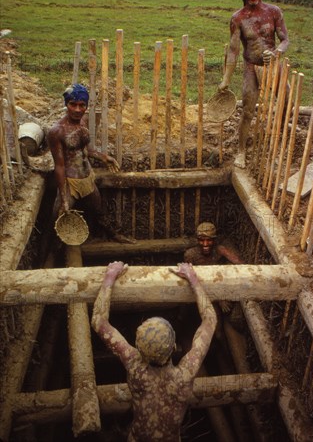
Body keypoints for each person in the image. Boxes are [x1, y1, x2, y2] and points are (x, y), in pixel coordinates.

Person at [92, 261, 217, 442]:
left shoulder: (133, 363)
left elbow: (99, 321)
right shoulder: (186, 373)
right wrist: (193, 278)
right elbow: (210, 320)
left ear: (138, 348)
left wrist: (110, 276)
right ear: (174, 347)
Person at [218, 0, 289, 168]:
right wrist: (226, 79)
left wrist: (277, 53)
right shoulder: (238, 18)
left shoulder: (274, 12)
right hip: (251, 67)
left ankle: (279, 143)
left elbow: (285, 40)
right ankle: (241, 151)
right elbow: (233, 50)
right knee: (248, 111)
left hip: (273, 65)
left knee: (286, 102)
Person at [48, 83, 134, 243]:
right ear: (66, 104)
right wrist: (64, 197)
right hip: (70, 183)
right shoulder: (57, 131)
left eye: (82, 105)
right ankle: (50, 253)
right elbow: (59, 166)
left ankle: (113, 235)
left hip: (87, 179)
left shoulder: (83, 122)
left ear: (86, 106)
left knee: (99, 212)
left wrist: (103, 157)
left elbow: (86, 149)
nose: (77, 109)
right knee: (57, 216)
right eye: (73, 104)